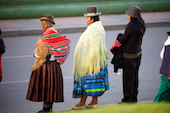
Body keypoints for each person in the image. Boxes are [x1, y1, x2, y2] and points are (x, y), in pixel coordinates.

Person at [26, 14, 71, 113]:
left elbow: (39, 53)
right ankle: (48, 107)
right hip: (55, 65)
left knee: (46, 87)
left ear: (46, 25)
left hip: (46, 66)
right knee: (51, 87)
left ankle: (46, 109)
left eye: (42, 24)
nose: (41, 26)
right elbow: (62, 46)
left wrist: (34, 53)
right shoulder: (56, 34)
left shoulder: (46, 36)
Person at [72, 6, 109, 109]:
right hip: (96, 60)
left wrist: (91, 61)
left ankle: (83, 102)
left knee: (87, 81)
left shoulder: (94, 29)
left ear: (92, 19)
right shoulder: (97, 27)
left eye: (87, 18)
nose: (85, 20)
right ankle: (93, 102)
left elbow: (93, 46)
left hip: (91, 61)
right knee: (93, 81)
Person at [118, 5, 146, 103]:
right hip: (138, 54)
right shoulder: (141, 24)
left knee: (128, 79)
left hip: (129, 56)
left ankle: (128, 99)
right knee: (135, 77)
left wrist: (119, 38)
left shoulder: (131, 26)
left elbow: (124, 40)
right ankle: (134, 98)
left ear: (132, 16)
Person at [154, 30, 170, 102]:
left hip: (164, 73)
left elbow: (162, 55)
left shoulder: (167, 43)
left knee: (162, 96)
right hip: (168, 74)